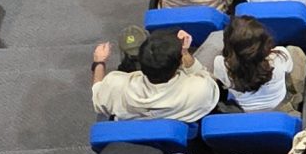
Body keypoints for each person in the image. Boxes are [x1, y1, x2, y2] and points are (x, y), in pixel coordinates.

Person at [91, 28, 222, 124]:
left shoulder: (115, 85)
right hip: (181, 141)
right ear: (179, 64)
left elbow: (97, 93)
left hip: (131, 141)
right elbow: (207, 78)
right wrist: (185, 53)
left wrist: (99, 62)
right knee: (217, 38)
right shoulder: (200, 89)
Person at [209, 12, 306, 114]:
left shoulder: (220, 64)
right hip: (279, 106)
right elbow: (289, 69)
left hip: (245, 111)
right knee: (294, 51)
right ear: (264, 40)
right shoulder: (280, 56)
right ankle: (297, 97)